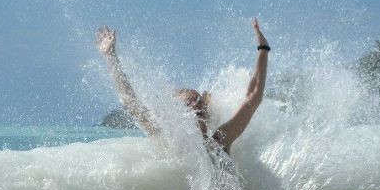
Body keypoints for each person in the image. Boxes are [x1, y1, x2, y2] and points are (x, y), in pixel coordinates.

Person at [95, 18, 270, 153]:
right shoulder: (168, 140)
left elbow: (253, 97)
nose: (196, 106)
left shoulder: (220, 140)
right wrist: (111, 57)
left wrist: (263, 49)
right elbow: (131, 103)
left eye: (198, 102)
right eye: (188, 104)